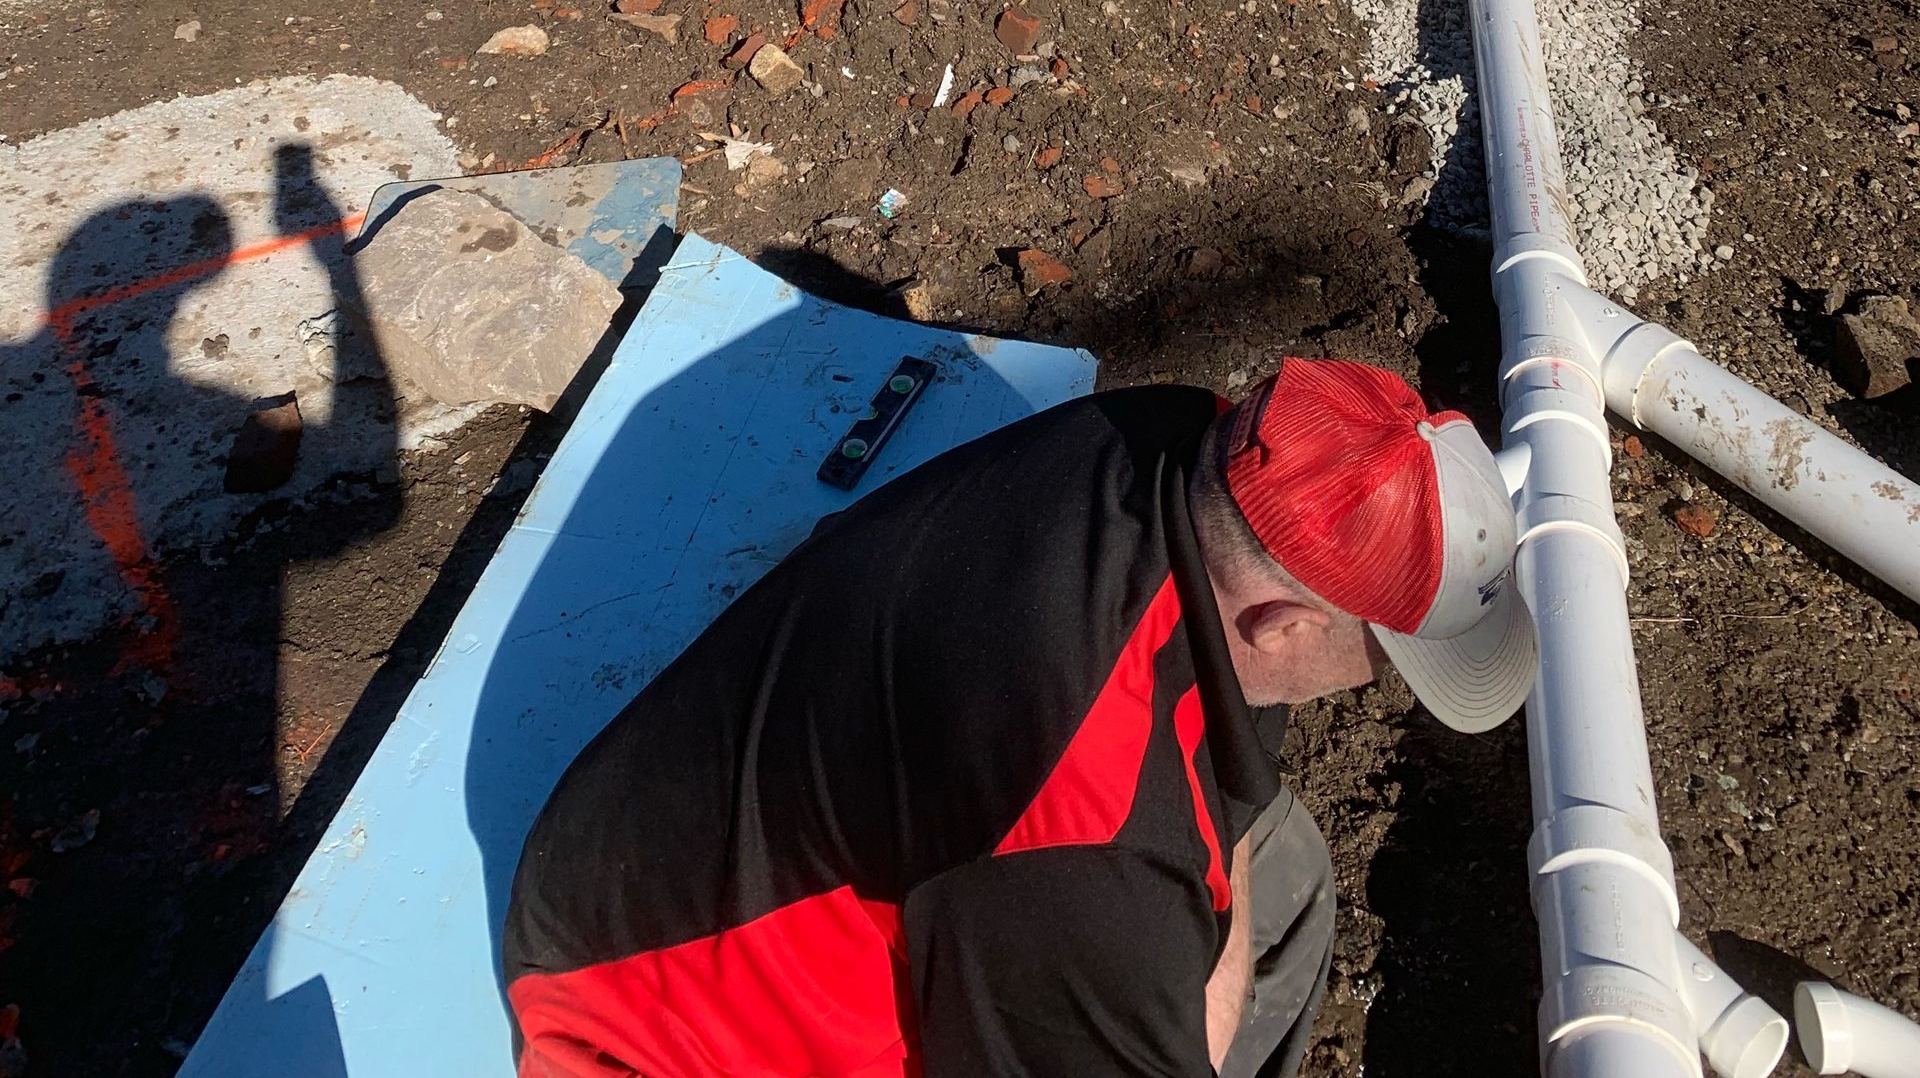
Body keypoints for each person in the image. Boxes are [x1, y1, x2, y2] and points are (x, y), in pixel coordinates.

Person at [503, 358, 1535, 1078]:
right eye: (1381, 656)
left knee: (1287, 868)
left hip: (721, 827)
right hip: (651, 1008)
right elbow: (1090, 867)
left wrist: (1192, 994)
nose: (1374, 687)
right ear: (1277, 619)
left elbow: (1220, 785)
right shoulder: (1078, 832)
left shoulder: (1193, 447)